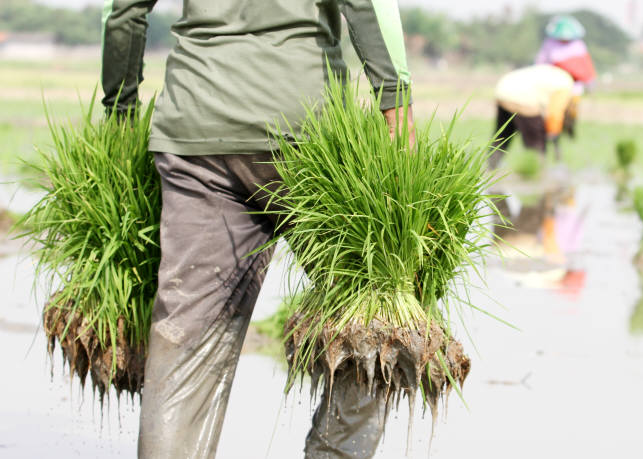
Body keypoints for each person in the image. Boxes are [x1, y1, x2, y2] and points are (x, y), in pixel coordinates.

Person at [101, 1, 414, 458]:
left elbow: (125, 11)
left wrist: (120, 110)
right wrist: (395, 101)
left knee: (188, 332)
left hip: (197, 131)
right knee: (372, 312)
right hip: (308, 132)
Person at [489, 64, 575, 168]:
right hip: (524, 97)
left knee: (502, 136)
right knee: (535, 143)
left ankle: (490, 168)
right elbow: (555, 112)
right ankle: (536, 173)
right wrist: (553, 133)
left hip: (503, 89)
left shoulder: (554, 73)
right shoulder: (566, 83)